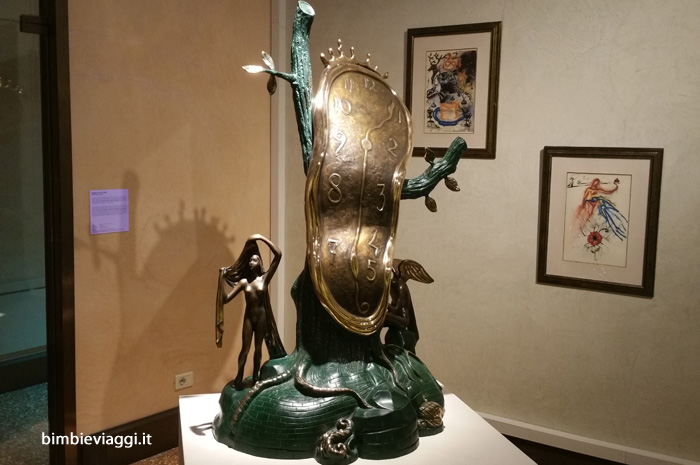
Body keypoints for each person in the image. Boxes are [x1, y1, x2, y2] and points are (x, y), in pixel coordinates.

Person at [216, 234, 286, 386]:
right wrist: (221, 279)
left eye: (254, 260)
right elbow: (226, 299)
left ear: (260, 262)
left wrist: (261, 238)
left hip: (261, 317)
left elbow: (278, 255)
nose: (250, 262)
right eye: (249, 261)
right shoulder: (244, 282)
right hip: (248, 318)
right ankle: (239, 376)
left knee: (258, 348)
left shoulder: (265, 278)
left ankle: (255, 377)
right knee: (245, 349)